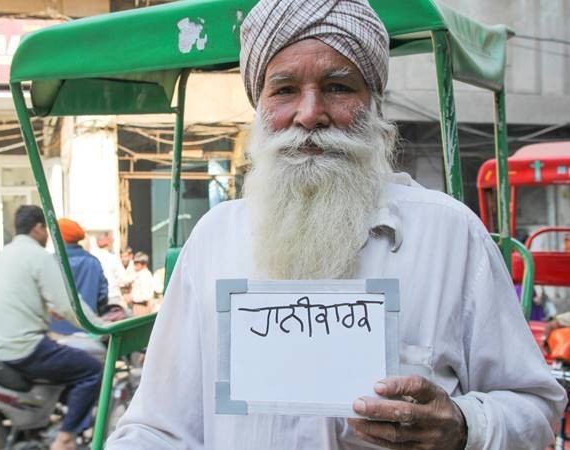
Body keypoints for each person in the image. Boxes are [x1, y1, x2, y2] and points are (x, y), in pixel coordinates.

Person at [106, 1, 566, 449]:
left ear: (372, 104)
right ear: (259, 103)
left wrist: (463, 426)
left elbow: (536, 407)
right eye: (284, 90)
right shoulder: (215, 238)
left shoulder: (449, 234)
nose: (310, 114)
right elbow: (159, 427)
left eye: (339, 87)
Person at [0, 205, 103, 450]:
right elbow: (69, 305)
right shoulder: (38, 256)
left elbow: (15, 299)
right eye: (46, 228)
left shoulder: (2, 255)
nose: (47, 234)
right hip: (22, 348)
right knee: (91, 370)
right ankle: (65, 438)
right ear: (37, 228)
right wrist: (101, 327)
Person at [48, 218, 109, 335]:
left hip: (56, 333)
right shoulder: (93, 262)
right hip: (89, 331)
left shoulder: (51, 262)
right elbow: (103, 297)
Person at [91, 231, 127, 307]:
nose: (113, 242)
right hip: (113, 297)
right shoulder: (113, 258)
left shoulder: (91, 258)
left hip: (96, 299)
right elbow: (123, 280)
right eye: (112, 240)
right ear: (107, 241)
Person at [129, 252, 154, 316]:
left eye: (137, 263)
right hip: (136, 305)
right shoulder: (138, 274)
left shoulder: (145, 275)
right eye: (135, 263)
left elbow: (146, 295)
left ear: (144, 264)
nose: (135, 265)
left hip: (142, 305)